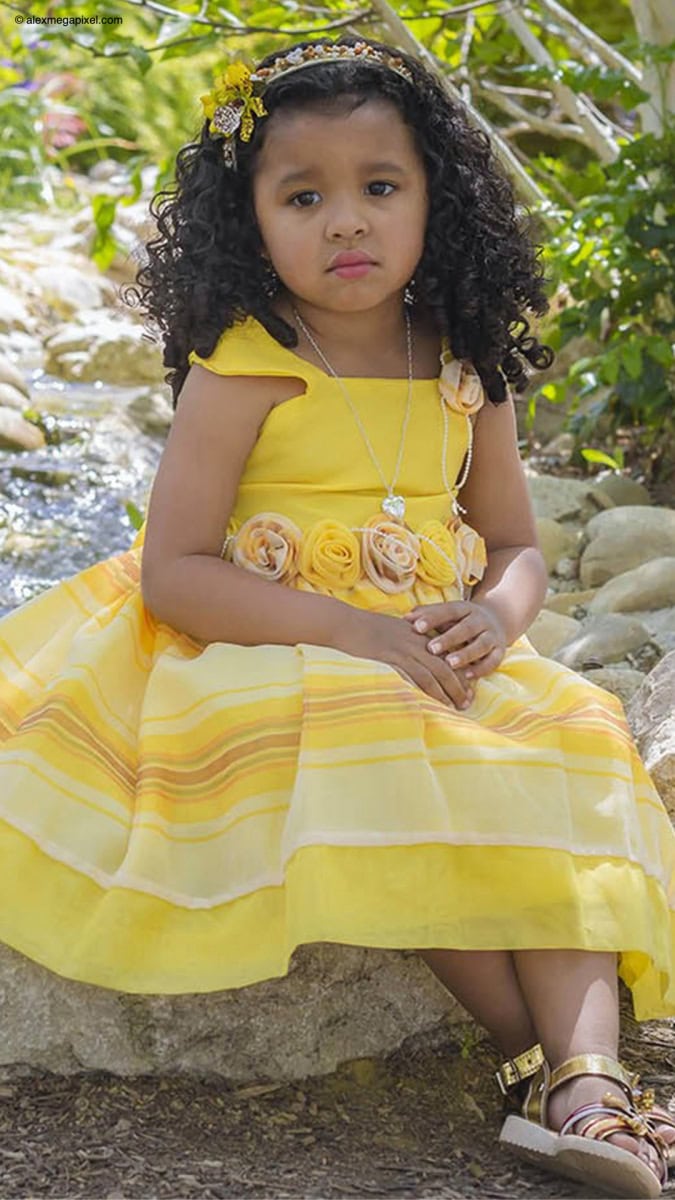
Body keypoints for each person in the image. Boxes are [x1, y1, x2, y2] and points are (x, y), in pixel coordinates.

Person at [0, 32, 673, 1197]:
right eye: (303, 196)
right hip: (261, 636)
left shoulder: (464, 362)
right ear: (249, 219)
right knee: (380, 740)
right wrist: (355, 631)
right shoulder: (246, 361)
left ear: (436, 200)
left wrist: (498, 617)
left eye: (380, 187)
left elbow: (516, 545)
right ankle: (554, 1074)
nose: (346, 221)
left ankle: (585, 1086)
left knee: (575, 736)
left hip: (436, 644)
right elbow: (174, 572)